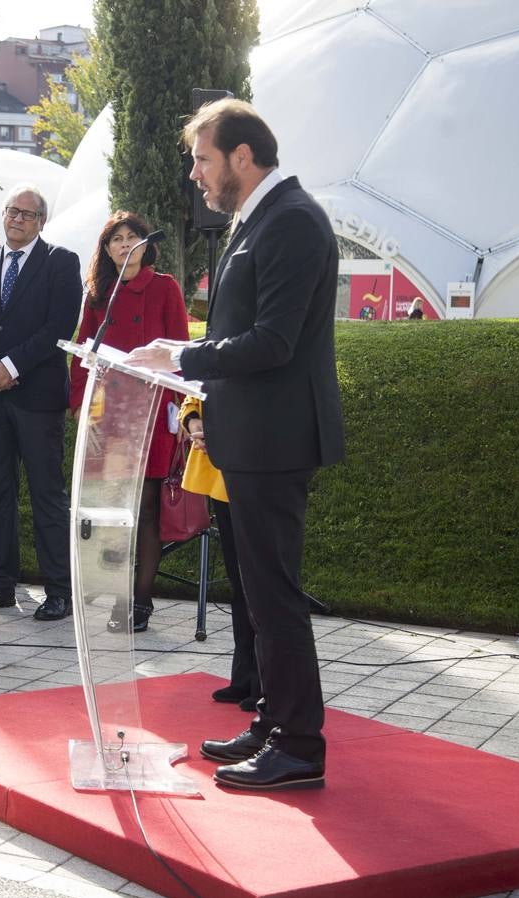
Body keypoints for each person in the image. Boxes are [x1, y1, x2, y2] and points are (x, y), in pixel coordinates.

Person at [128, 98, 344, 791]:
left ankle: (300, 746)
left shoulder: (291, 223)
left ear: (242, 158)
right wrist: (184, 358)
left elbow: (273, 342)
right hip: (248, 435)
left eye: (201, 158)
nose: (194, 174)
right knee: (255, 592)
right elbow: (242, 333)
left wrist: (183, 360)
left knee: (273, 593)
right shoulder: (258, 221)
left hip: (276, 440)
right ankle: (274, 723)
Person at [0, 185, 82, 622]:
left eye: (28, 214)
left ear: (41, 221)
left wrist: (10, 365)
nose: (18, 219)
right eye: (12, 211)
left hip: (37, 399)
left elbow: (59, 327)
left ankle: (59, 591)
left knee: (47, 496)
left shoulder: (61, 263)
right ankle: (0, 584)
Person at [69, 211, 189, 633]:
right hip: (112, 415)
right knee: (115, 509)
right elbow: (83, 358)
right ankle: (116, 592)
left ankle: (140, 601)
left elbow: (180, 350)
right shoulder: (97, 295)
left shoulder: (165, 287)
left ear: (145, 243)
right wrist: (85, 412)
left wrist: (181, 411)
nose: (125, 245)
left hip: (154, 413)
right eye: (116, 239)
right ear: (105, 249)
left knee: (148, 506)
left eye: (132, 237)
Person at [178, 396, 260, 712]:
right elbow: (193, 392)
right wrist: (193, 421)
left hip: (254, 468)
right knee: (239, 584)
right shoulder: (216, 345)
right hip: (223, 471)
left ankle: (264, 682)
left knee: (258, 584)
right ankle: (245, 677)